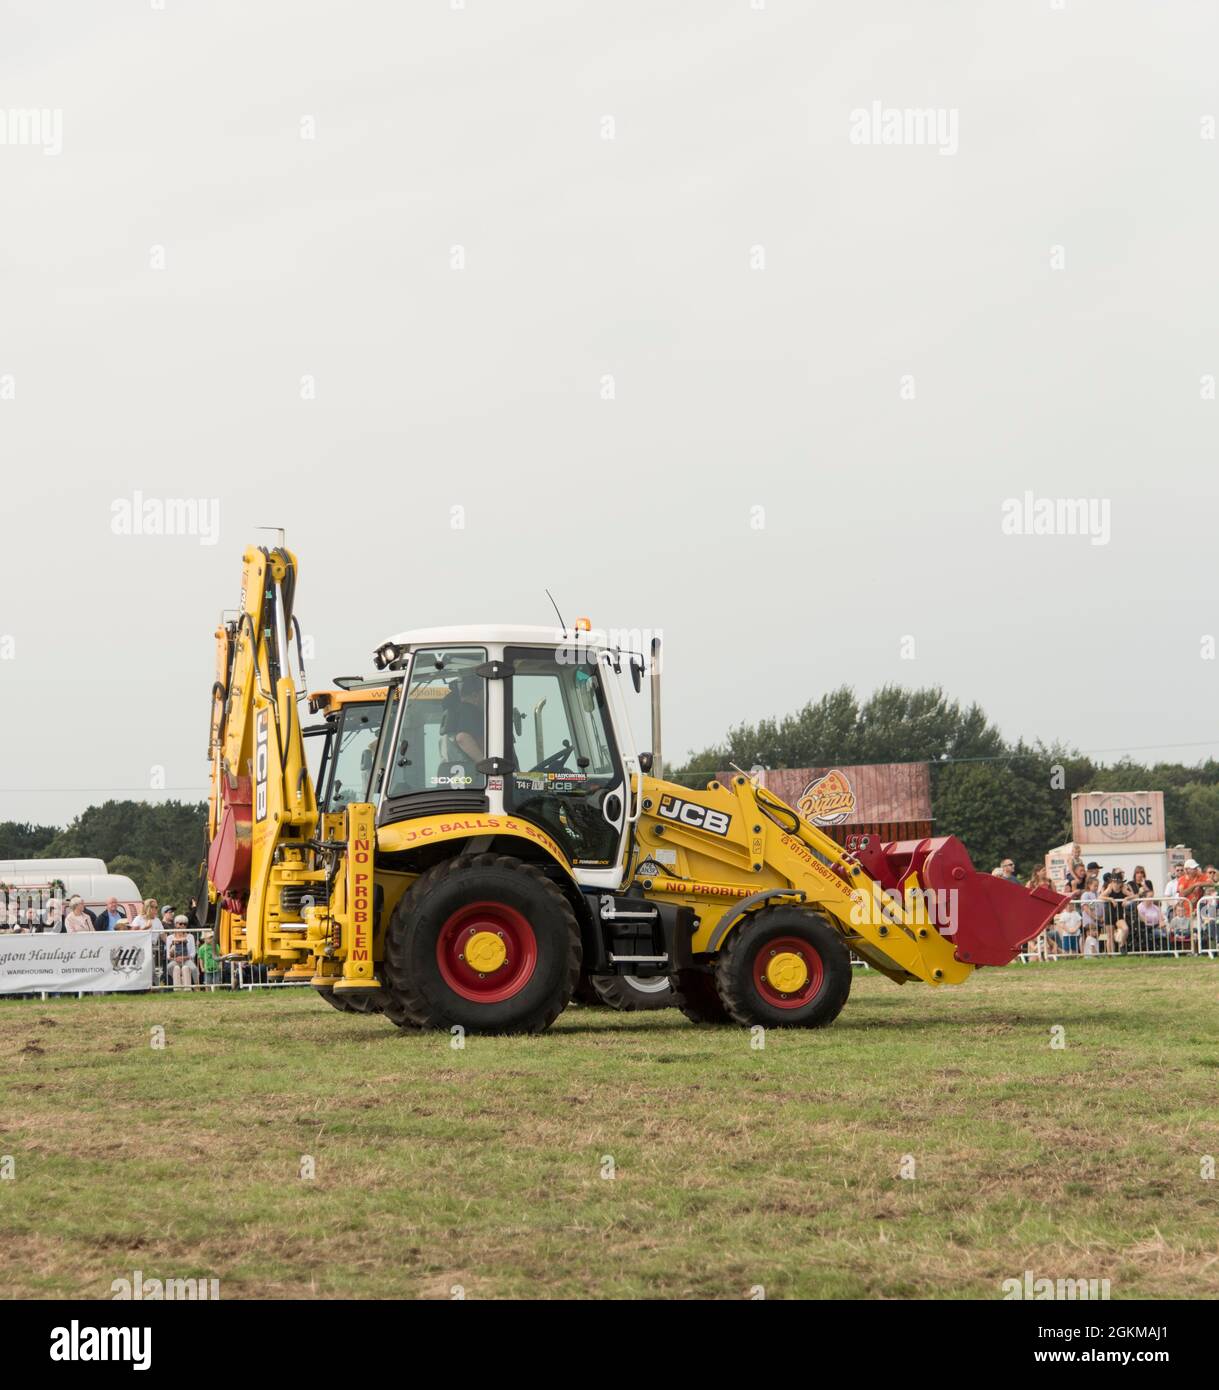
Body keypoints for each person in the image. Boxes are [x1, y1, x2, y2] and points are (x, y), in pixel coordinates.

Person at [440, 672, 484, 764]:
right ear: (475, 696)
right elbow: (462, 738)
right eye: (485, 694)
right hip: (474, 774)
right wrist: (484, 764)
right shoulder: (469, 709)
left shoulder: (455, 714)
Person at [166, 917, 199, 989]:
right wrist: (175, 958)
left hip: (187, 959)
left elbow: (193, 953)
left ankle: (197, 986)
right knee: (169, 967)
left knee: (193, 969)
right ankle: (178, 985)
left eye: (185, 924)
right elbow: (168, 955)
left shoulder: (190, 936)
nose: (183, 926)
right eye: (180, 924)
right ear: (175, 925)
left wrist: (185, 957)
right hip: (175, 960)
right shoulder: (170, 938)